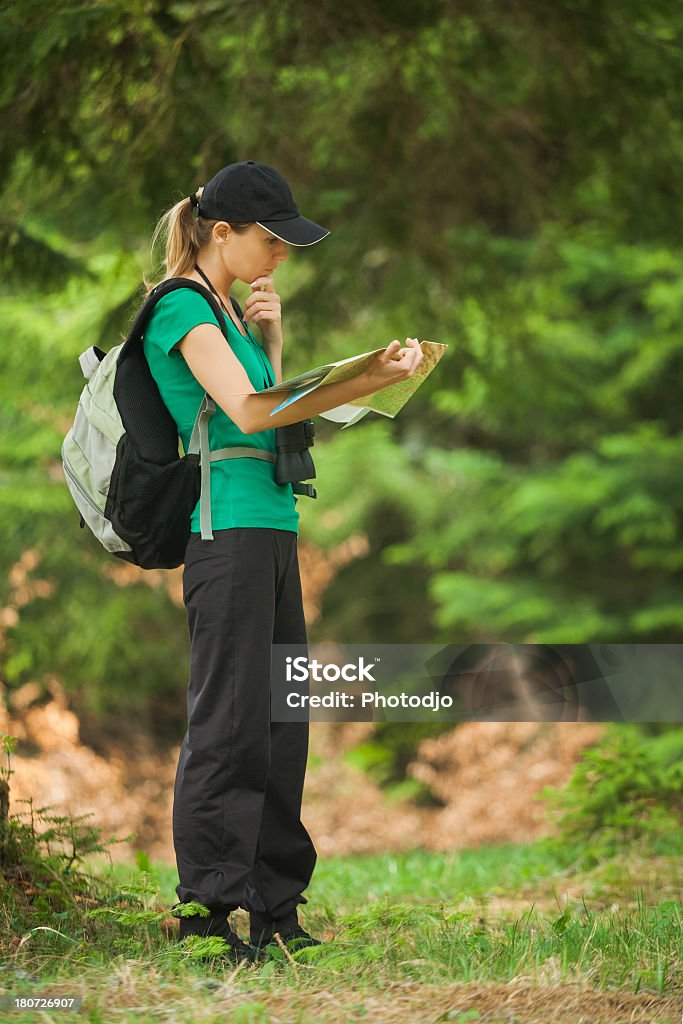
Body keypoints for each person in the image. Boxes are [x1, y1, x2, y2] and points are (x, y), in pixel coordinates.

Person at [142, 161, 423, 963]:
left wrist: (274, 338)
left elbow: (273, 418)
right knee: (228, 725)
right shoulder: (182, 310)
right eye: (271, 242)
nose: (280, 258)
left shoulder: (230, 313)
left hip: (268, 525)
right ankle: (207, 916)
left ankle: (275, 909)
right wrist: (362, 373)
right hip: (223, 529)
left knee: (279, 723)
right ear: (221, 234)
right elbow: (249, 411)